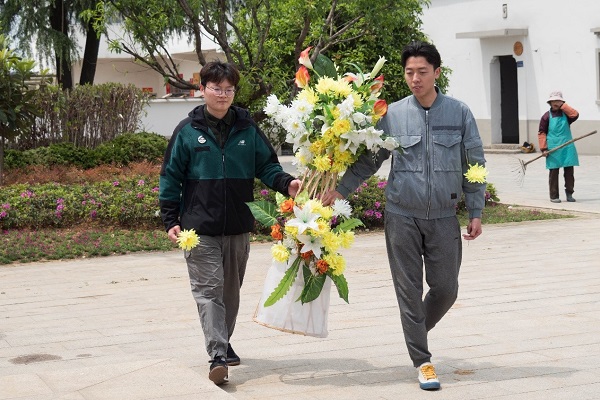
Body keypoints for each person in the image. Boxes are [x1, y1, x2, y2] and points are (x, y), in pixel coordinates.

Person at [322, 41, 486, 391]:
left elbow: (475, 164)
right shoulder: (393, 114)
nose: (415, 78)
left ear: (436, 72)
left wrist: (476, 210)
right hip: (402, 216)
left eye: (422, 72)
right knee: (409, 292)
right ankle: (422, 361)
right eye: (409, 72)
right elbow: (370, 160)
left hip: (443, 216)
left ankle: (414, 331)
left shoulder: (459, 113)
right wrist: (342, 189)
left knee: (446, 289)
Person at [159, 61, 301, 385]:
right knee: (208, 292)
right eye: (216, 88)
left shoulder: (247, 129)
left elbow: (267, 165)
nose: (222, 94)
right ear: (202, 89)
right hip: (199, 229)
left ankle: (222, 341)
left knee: (230, 294)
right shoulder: (187, 131)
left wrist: (287, 184)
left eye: (228, 89)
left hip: (238, 226)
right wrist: (170, 218)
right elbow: (170, 176)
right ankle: (217, 356)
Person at [537, 91, 579, 203]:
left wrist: (563, 106)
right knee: (554, 173)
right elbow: (542, 132)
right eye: (553, 101)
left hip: (567, 146)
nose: (555, 103)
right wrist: (544, 148)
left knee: (569, 173)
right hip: (553, 148)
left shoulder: (567, 115)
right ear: (550, 103)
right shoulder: (546, 116)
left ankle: (569, 193)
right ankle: (554, 195)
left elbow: (575, 115)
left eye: (558, 101)